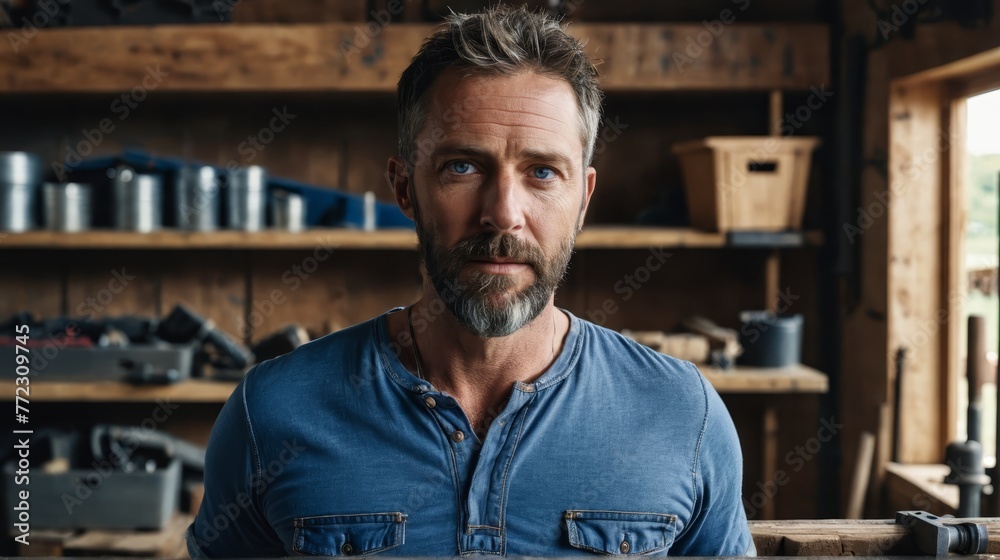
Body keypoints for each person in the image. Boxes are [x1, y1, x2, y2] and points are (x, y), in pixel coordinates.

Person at [187, 6, 754, 557]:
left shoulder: (682, 413)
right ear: (405, 187)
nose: (503, 213)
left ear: (582, 199)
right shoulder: (272, 412)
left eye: (541, 172)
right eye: (463, 166)